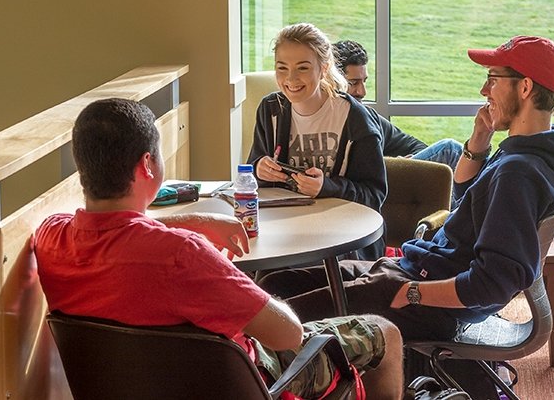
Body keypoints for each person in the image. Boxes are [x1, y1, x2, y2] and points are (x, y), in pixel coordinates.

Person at [31, 98, 404, 400]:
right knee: (383, 333)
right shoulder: (182, 255)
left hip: (132, 387)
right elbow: (288, 335)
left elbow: (113, 234)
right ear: (148, 164)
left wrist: (191, 220)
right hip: (251, 381)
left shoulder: (49, 239)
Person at [258, 36, 554, 343]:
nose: (484, 90)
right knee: (276, 286)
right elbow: (469, 198)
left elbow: (496, 280)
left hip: (427, 295)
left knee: (266, 319)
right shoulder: (537, 151)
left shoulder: (519, 172)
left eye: (493, 79)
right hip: (416, 269)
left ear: (525, 88)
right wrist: (478, 145)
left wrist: (413, 294)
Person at [248, 23, 387, 260]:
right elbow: (249, 175)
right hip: (284, 233)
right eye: (282, 68)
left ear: (323, 69)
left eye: (302, 68)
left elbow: (374, 195)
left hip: (344, 240)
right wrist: (259, 168)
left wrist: (327, 187)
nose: (290, 79)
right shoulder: (269, 110)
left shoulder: (355, 119)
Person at [333, 40, 462, 172]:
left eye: (364, 81)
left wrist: (399, 164)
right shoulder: (325, 123)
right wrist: (392, 165)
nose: (362, 92)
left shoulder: (368, 117)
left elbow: (417, 146)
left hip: (384, 181)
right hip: (369, 186)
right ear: (332, 81)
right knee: (450, 149)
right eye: (353, 83)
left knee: (451, 151)